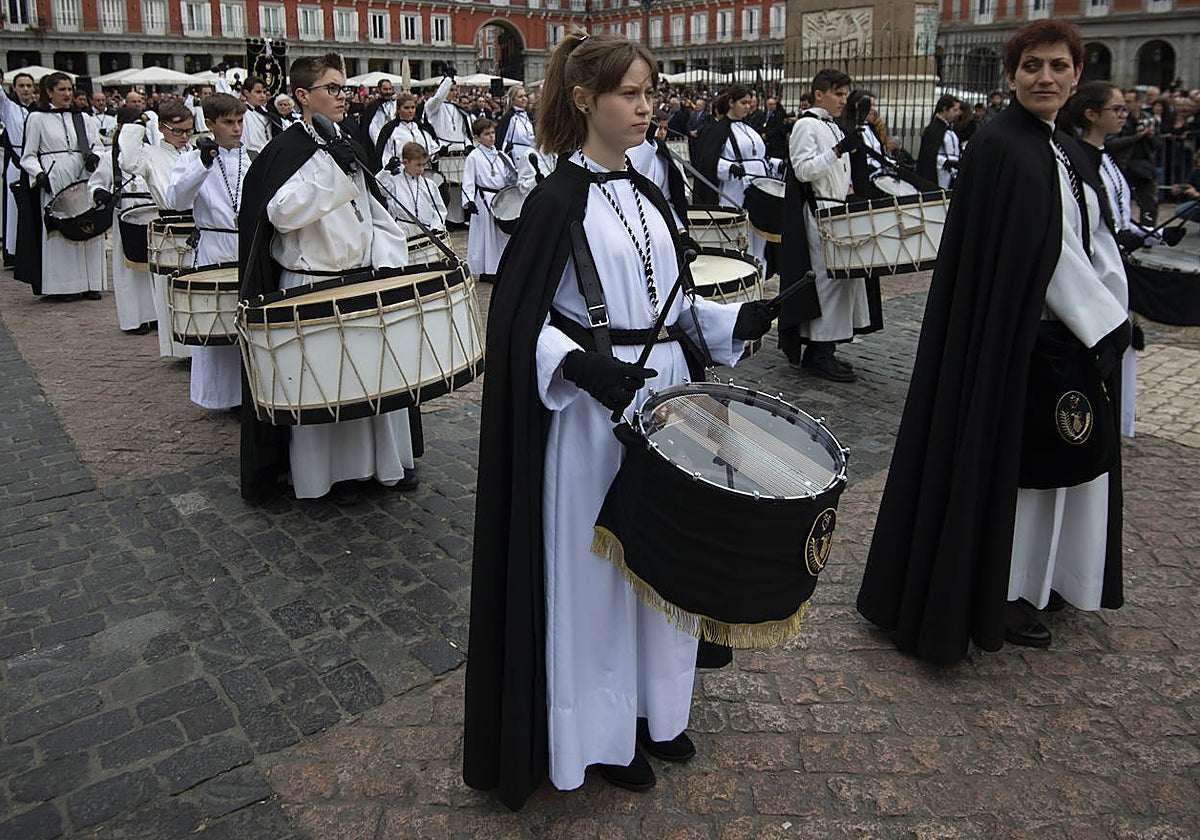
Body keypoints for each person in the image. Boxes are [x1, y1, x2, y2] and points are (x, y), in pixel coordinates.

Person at [463, 31, 776, 811]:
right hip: (594, 414)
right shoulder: (554, 198)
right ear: (584, 101)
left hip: (671, 399)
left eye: (650, 93)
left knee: (665, 560)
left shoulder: (649, 185)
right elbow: (519, 321)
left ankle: (657, 712)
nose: (646, 108)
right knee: (601, 577)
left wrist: (738, 322)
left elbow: (671, 307)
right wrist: (581, 367)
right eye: (630, 94)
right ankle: (601, 738)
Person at [856, 20, 1130, 664]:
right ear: (1011, 76)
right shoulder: (1005, 147)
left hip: (1051, 338)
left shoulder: (1051, 144)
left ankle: (1039, 580)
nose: (1046, 78)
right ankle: (1005, 589)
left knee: (1052, 468)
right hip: (1021, 341)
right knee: (1020, 476)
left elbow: (1073, 239)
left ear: (1075, 74)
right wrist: (1106, 322)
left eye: (1059, 66)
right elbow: (1046, 253)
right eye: (1032, 66)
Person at [238, 52, 418, 501]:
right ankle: (327, 477)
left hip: (362, 279)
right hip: (311, 284)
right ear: (302, 95)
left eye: (344, 88)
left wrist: (388, 262)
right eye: (332, 89)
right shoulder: (283, 151)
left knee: (374, 380)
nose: (343, 96)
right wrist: (332, 174)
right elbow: (280, 214)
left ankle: (382, 467)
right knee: (322, 385)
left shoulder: (348, 140)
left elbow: (374, 211)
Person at [776, 68, 878, 383]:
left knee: (842, 282)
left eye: (845, 95)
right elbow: (804, 170)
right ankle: (818, 352)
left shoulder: (829, 125)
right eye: (838, 94)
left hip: (835, 210)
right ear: (819, 93)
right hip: (820, 213)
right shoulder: (807, 125)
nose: (843, 101)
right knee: (828, 284)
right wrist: (838, 151)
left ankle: (827, 349)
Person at [167, 93, 249, 412]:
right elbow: (176, 199)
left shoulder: (250, 157)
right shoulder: (192, 158)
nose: (237, 128)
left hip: (244, 245)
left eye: (240, 121)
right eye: (229, 122)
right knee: (217, 324)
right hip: (214, 246)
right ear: (210, 124)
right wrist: (202, 165)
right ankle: (223, 397)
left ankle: (247, 393)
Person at [118, 98, 196, 358]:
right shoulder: (150, 155)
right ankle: (180, 348)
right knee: (170, 287)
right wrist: (137, 125)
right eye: (177, 131)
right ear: (162, 128)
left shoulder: (194, 152)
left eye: (188, 130)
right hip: (170, 223)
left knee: (195, 287)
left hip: (197, 223)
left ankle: (198, 345)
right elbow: (127, 162)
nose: (184, 136)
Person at [20, 72, 106, 301]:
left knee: (88, 224)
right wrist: (38, 174)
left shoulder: (83, 118)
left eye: (69, 89)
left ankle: (90, 282)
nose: (67, 94)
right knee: (60, 228)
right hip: (55, 176)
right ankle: (64, 285)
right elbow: (28, 155)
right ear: (49, 92)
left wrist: (95, 157)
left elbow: (98, 144)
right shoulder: (37, 118)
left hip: (82, 175)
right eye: (62, 90)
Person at [692, 84, 782, 269]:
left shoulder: (749, 128)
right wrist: (729, 168)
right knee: (740, 237)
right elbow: (708, 162)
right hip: (735, 192)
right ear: (731, 102)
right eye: (744, 102)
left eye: (750, 103)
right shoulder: (717, 130)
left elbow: (760, 157)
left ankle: (760, 277)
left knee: (759, 239)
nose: (748, 106)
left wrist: (778, 163)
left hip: (759, 192)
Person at [88, 105, 157, 334]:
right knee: (129, 272)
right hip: (126, 215)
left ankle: (156, 314)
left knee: (153, 271)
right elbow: (96, 182)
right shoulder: (110, 157)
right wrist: (99, 193)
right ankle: (134, 318)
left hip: (151, 215)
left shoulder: (150, 153)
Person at [461, 117, 516, 283]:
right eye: (487, 134)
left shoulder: (500, 155)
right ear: (477, 137)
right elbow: (468, 180)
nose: (491, 137)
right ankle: (487, 270)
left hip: (500, 198)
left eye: (492, 133)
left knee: (500, 235)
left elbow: (510, 176)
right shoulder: (474, 157)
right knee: (486, 236)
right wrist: (469, 200)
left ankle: (499, 267)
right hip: (484, 199)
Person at [1, 71, 37, 272]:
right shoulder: (10, 108)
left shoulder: (39, 111)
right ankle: (15, 252)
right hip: (16, 162)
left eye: (28, 86)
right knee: (14, 208)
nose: (25, 90)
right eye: (21, 86)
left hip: (36, 164)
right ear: (14, 88)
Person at [379, 140, 446, 238]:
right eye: (418, 165)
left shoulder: (430, 185)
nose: (422, 169)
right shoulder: (394, 183)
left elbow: (439, 210)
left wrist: (436, 227)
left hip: (427, 235)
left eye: (423, 165)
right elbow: (378, 187)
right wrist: (386, 171)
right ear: (405, 162)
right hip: (403, 234)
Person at [376, 92, 437, 169]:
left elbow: (432, 152)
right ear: (398, 109)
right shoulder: (390, 130)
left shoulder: (420, 128)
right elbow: (385, 155)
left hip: (423, 172)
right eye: (406, 108)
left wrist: (439, 153)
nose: (410, 111)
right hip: (400, 174)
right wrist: (391, 165)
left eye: (412, 107)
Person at [917, 94, 962, 191]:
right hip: (937, 177)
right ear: (945, 109)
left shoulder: (949, 128)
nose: (958, 113)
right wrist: (945, 162)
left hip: (950, 176)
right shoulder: (933, 129)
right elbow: (928, 156)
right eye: (954, 110)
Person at [496, 85, 535, 164]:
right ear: (513, 100)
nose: (524, 99)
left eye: (525, 96)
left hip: (531, 154)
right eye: (520, 97)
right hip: (517, 157)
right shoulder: (509, 118)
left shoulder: (529, 116)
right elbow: (502, 141)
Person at [240, 76, 278, 156]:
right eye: (258, 92)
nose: (262, 95)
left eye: (264, 92)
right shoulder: (243, 114)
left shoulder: (267, 112)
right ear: (247, 93)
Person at [359, 78, 397, 145]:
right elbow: (370, 128)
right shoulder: (373, 106)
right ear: (379, 90)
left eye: (390, 89)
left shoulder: (395, 104)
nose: (388, 91)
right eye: (385, 89)